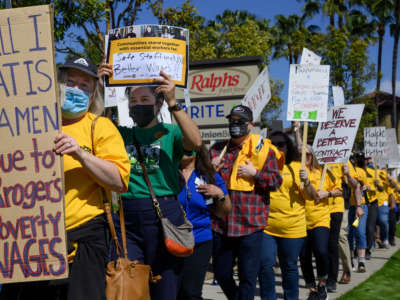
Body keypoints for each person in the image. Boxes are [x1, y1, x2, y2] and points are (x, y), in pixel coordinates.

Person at [0, 56, 131, 300]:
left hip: (85, 241)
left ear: (93, 95)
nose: (76, 89)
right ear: (57, 85)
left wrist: (81, 155)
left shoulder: (99, 127)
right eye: (70, 82)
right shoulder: (31, 125)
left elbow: (119, 181)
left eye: (84, 86)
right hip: (32, 238)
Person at [98, 61, 202, 299]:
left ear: (158, 103)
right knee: (128, 285)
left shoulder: (171, 132)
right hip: (127, 217)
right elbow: (93, 126)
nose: (138, 106)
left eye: (144, 100)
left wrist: (174, 103)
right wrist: (99, 86)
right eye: (133, 102)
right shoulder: (120, 134)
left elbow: (196, 142)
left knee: (165, 287)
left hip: (163, 214)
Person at [209, 105, 283, 300]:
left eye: (240, 121)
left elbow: (276, 182)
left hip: (250, 225)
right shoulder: (217, 150)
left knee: (247, 279)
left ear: (250, 125)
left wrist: (255, 174)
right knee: (222, 273)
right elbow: (200, 184)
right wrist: (210, 170)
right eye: (232, 121)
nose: (235, 125)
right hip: (222, 226)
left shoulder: (264, 150)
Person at [258, 131, 311, 300]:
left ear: (288, 147)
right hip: (267, 226)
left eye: (281, 144)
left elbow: (311, 196)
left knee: (289, 266)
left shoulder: (297, 166)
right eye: (272, 144)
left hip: (292, 228)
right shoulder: (261, 166)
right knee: (265, 264)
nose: (277, 147)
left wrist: (307, 182)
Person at [177, 144, 231, 300]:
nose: (184, 151)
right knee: (174, 291)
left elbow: (224, 211)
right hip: (172, 240)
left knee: (191, 292)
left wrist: (219, 193)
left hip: (200, 240)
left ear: (197, 151)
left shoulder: (209, 175)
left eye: (188, 147)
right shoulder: (167, 174)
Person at [299, 145, 341, 300]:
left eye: (307, 154)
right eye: (301, 155)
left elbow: (339, 190)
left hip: (320, 218)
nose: (305, 157)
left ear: (313, 155)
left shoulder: (323, 171)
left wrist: (327, 193)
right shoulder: (295, 171)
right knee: (304, 256)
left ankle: (322, 283)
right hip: (300, 220)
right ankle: (312, 289)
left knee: (321, 250)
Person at [348, 152, 368, 273]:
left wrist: (365, 187)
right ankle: (350, 259)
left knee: (360, 232)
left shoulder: (361, 172)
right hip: (348, 206)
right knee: (348, 234)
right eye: (357, 158)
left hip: (361, 205)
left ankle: (361, 261)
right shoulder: (345, 170)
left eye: (361, 158)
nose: (358, 160)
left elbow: (367, 185)